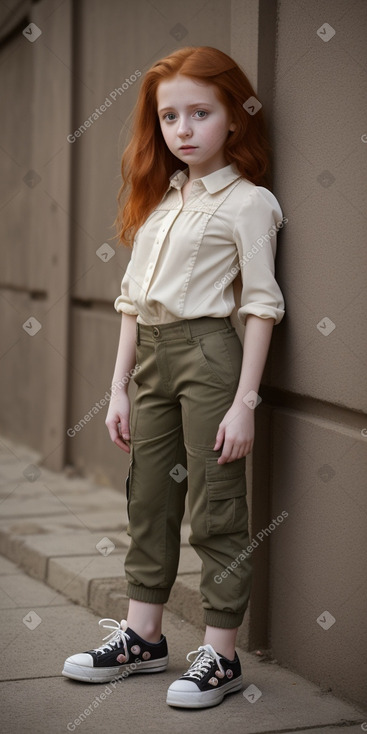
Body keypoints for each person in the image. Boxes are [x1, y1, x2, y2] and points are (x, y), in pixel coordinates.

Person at [62, 45, 285, 709]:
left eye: (199, 112)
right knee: (148, 499)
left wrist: (244, 402)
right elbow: (130, 301)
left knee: (216, 506)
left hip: (210, 355)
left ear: (235, 118)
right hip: (152, 359)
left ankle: (220, 655)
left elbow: (261, 305)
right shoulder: (158, 202)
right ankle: (143, 637)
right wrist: (118, 386)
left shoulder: (249, 204)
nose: (182, 129)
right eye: (168, 117)